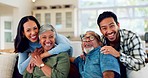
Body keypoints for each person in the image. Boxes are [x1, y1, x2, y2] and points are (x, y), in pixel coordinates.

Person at [97, 11, 147, 78]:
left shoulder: (131, 37)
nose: (109, 31)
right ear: (101, 30)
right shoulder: (101, 41)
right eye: (104, 28)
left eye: (111, 26)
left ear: (118, 25)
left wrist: (118, 54)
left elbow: (140, 63)